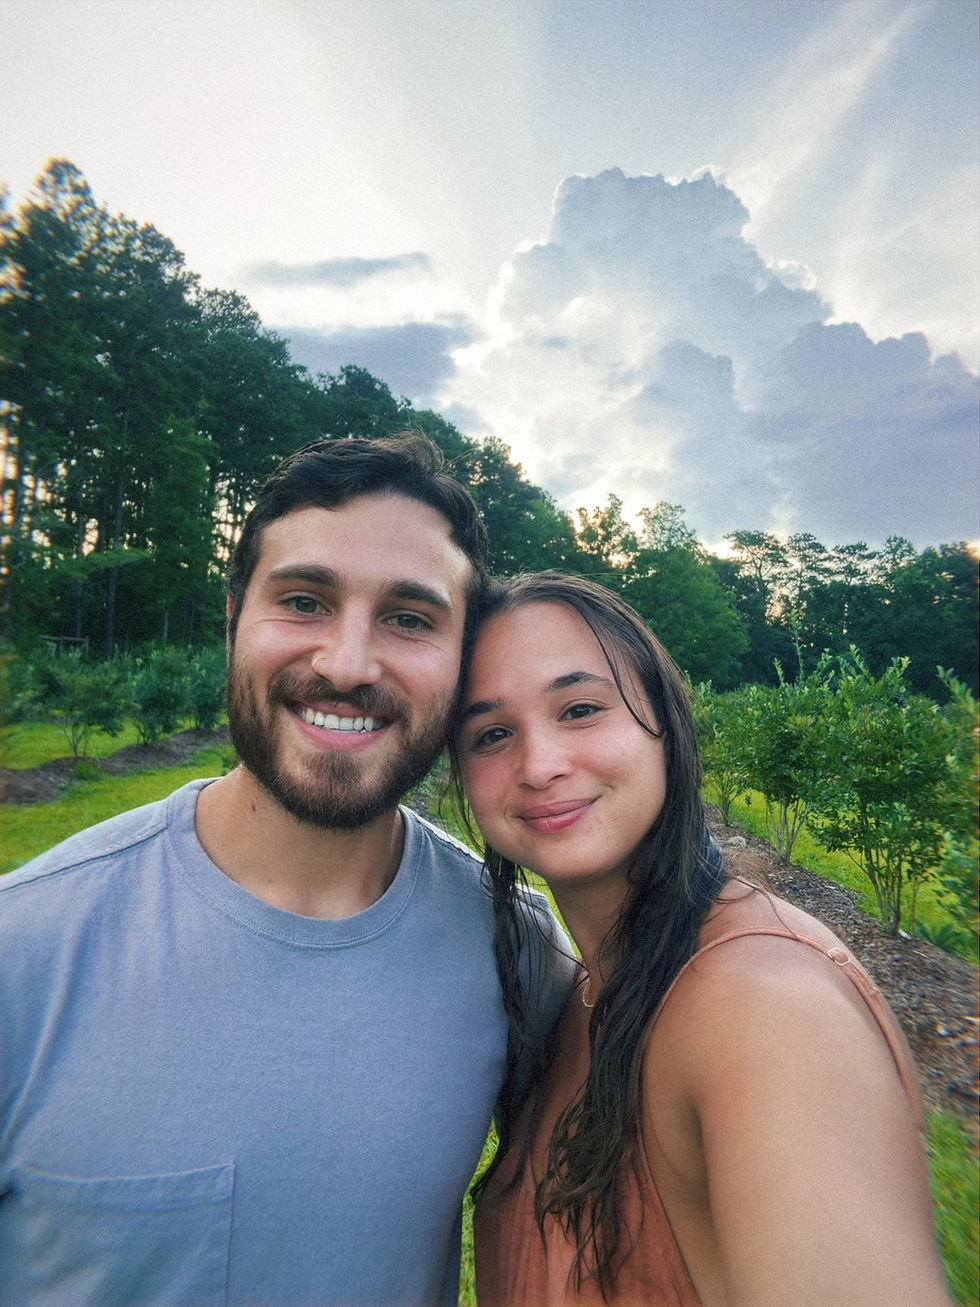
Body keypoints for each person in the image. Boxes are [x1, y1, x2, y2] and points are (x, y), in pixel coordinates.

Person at [0, 435, 573, 1307]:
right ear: (234, 617)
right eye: (305, 601)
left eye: (410, 618)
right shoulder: (24, 950)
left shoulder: (515, 948)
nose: (347, 664)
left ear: (464, 662)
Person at [450, 571, 953, 1307]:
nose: (540, 765)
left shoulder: (762, 1009)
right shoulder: (582, 993)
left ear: (666, 725)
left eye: (580, 709)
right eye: (492, 734)